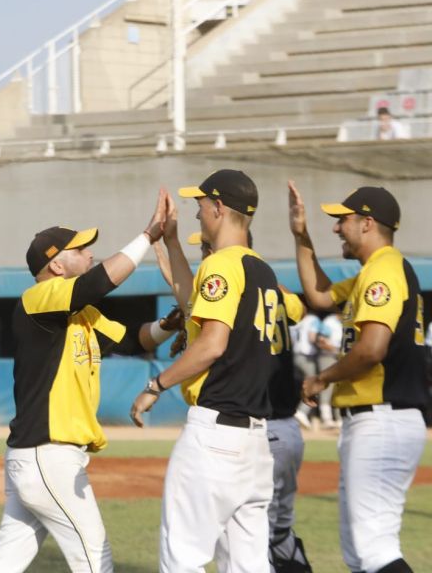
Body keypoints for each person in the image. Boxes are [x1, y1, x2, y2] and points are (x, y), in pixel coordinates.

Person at [0, 189, 176, 573]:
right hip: (46, 454)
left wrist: (169, 325)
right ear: (55, 266)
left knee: (5, 560)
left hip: (39, 456)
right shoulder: (39, 298)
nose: (90, 254)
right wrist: (148, 237)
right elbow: (100, 282)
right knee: (94, 559)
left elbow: (133, 340)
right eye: (81, 248)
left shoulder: (79, 313)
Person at [131, 170, 284, 571]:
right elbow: (193, 305)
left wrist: (156, 384)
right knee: (249, 566)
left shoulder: (223, 266)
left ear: (218, 206)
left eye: (200, 205)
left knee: (182, 560)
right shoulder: (261, 269)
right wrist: (172, 241)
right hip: (254, 443)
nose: (197, 213)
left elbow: (211, 344)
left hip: (215, 435)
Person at [288, 182, 427, 573]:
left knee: (374, 550)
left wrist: (321, 379)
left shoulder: (382, 272)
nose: (337, 228)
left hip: (383, 417)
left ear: (367, 223)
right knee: (359, 553)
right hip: (375, 419)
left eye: (342, 220)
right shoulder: (376, 270)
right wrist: (301, 236)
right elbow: (320, 297)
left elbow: (371, 350)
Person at [164, 220, 313, 572]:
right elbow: (298, 310)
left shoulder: (227, 275)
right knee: (264, 544)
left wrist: (157, 383)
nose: (203, 255)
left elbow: (211, 336)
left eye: (204, 249)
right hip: (275, 430)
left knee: (205, 549)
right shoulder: (267, 285)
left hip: (248, 423)